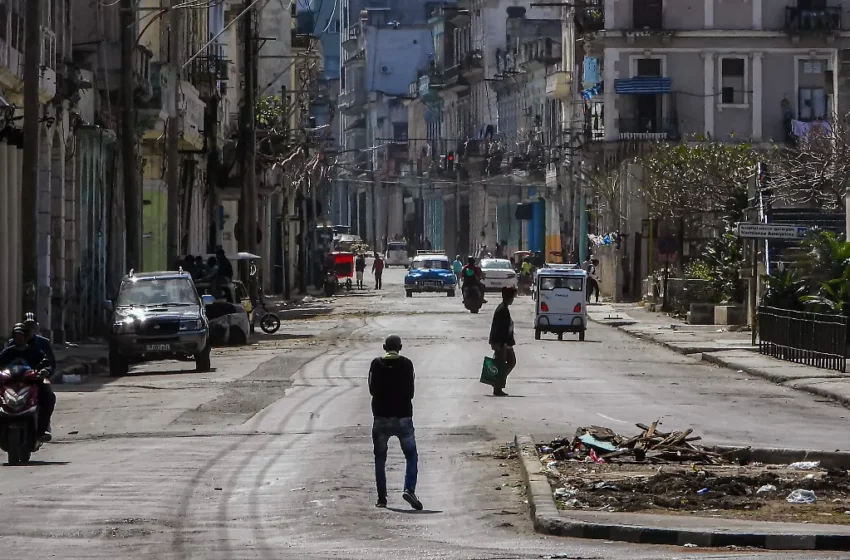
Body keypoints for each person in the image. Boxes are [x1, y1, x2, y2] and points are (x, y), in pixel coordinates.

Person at [369, 335, 422, 510]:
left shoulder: (375, 364)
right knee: (411, 455)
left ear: (384, 347)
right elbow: (412, 392)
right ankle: (409, 489)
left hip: (381, 418)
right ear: (400, 347)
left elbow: (371, 389)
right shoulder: (407, 364)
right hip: (403, 417)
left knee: (380, 458)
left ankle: (382, 499)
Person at [0, 324, 54, 441]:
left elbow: (47, 363)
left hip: (30, 381)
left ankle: (42, 429)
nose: (19, 338)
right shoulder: (8, 352)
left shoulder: (34, 351)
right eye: (16, 335)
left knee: (48, 395)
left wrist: (45, 371)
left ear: (25, 337)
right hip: (10, 381)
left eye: (21, 335)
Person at [488, 287, 518, 397]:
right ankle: (497, 386)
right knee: (501, 364)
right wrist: (501, 344)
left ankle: (498, 382)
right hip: (501, 343)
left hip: (506, 342)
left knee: (511, 362)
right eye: (512, 297)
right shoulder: (502, 310)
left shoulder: (504, 308)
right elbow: (499, 329)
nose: (513, 299)